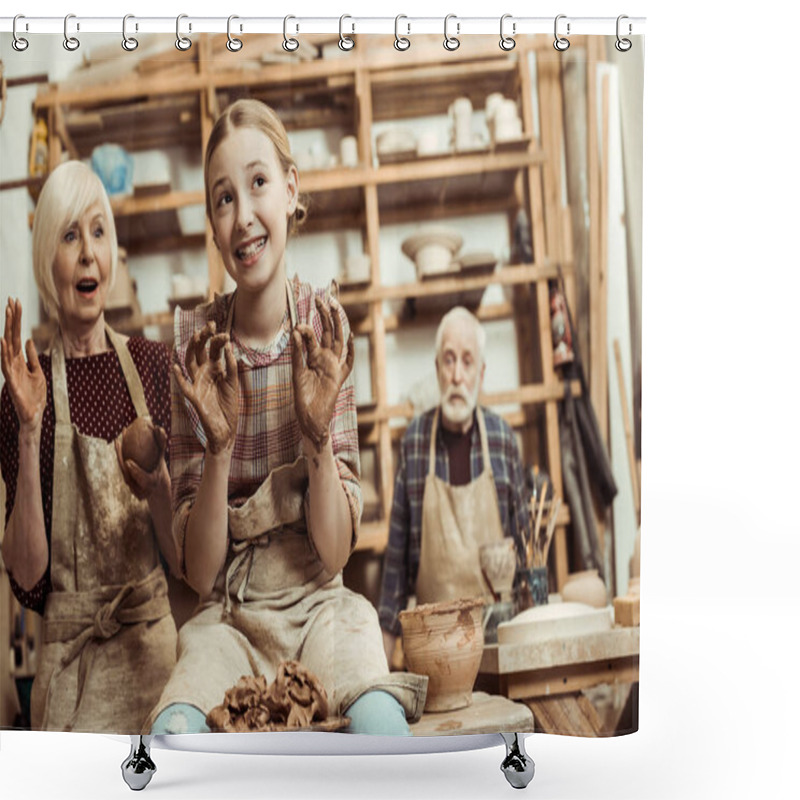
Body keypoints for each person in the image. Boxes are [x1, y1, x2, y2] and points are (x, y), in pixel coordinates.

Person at [147, 99, 426, 736]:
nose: (243, 216)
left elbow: (333, 553)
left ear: (291, 189)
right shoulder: (196, 348)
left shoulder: (326, 332)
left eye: (258, 183)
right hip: (230, 619)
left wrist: (318, 435)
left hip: (319, 607)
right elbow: (199, 573)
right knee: (172, 738)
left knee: (382, 725)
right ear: (213, 226)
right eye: (223, 199)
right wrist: (218, 449)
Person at [0, 161, 178, 732]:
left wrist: (161, 493)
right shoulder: (23, 392)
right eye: (69, 235)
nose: (86, 253)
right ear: (47, 260)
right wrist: (29, 435)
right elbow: (28, 577)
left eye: (98, 233)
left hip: (155, 658)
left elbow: (185, 563)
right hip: (71, 674)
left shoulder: (153, 368)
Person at [378, 306, 530, 663]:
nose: (457, 375)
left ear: (481, 372)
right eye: (448, 361)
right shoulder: (415, 442)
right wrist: (380, 674)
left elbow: (527, 560)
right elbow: (395, 571)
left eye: (467, 362)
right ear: (437, 370)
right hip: (434, 653)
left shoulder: (503, 440)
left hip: (498, 648)